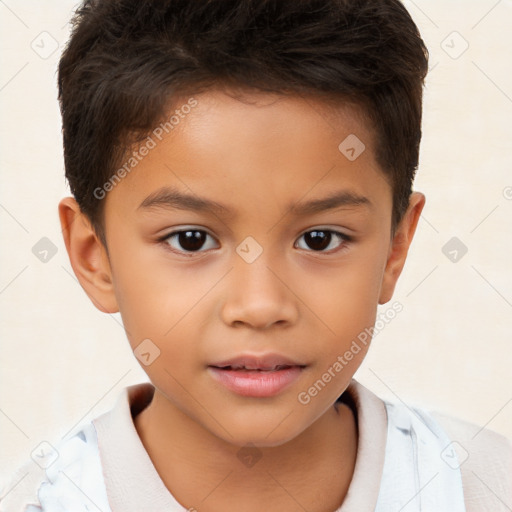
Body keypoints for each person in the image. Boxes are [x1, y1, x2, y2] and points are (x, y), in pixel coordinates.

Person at [2, 0, 511, 511]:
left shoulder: (488, 487)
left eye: (319, 239)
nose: (260, 305)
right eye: (191, 240)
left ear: (395, 248)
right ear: (95, 258)